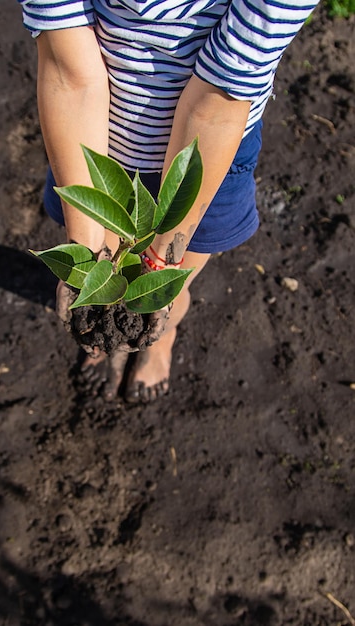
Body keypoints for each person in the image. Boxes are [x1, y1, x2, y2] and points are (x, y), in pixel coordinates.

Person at [17, 0, 318, 403]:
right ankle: (111, 340)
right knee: (109, 289)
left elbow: (217, 102)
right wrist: (87, 262)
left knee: (174, 287)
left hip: (209, 153)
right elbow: (68, 73)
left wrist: (162, 262)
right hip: (97, 142)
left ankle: (161, 338)